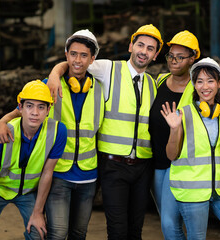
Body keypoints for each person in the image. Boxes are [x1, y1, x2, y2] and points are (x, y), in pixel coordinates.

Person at [47, 24, 162, 240]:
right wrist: (54, 74)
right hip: (113, 165)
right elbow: (77, 62)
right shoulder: (109, 69)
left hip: (142, 167)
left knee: (136, 231)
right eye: (140, 45)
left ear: (155, 55)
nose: (143, 51)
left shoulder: (152, 84)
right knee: (117, 231)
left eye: (150, 48)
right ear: (130, 46)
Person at [0, 29, 104, 239]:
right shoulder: (50, 85)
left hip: (88, 176)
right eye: (73, 54)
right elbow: (24, 109)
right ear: (66, 55)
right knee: (57, 233)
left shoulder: (100, 88)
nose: (77, 60)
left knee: (79, 233)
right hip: (58, 173)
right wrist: (3, 120)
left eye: (83, 55)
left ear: (92, 59)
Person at [0, 80, 67, 240]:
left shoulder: (58, 131)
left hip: (27, 192)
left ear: (49, 110)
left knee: (38, 233)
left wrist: (37, 213)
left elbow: (47, 173)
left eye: (41, 107)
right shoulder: (4, 131)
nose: (35, 112)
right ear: (20, 108)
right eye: (29, 106)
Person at [161, 58, 220, 240]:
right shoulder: (183, 114)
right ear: (194, 85)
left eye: (210, 81)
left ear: (219, 83)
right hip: (193, 191)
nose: (205, 86)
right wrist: (174, 129)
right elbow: (171, 154)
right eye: (200, 81)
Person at [148, 30, 199, 239]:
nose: (173, 61)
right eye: (170, 56)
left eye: (180, 57)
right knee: (167, 220)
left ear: (193, 58)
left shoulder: (197, 88)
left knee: (170, 224)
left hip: (179, 163)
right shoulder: (159, 81)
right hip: (156, 164)